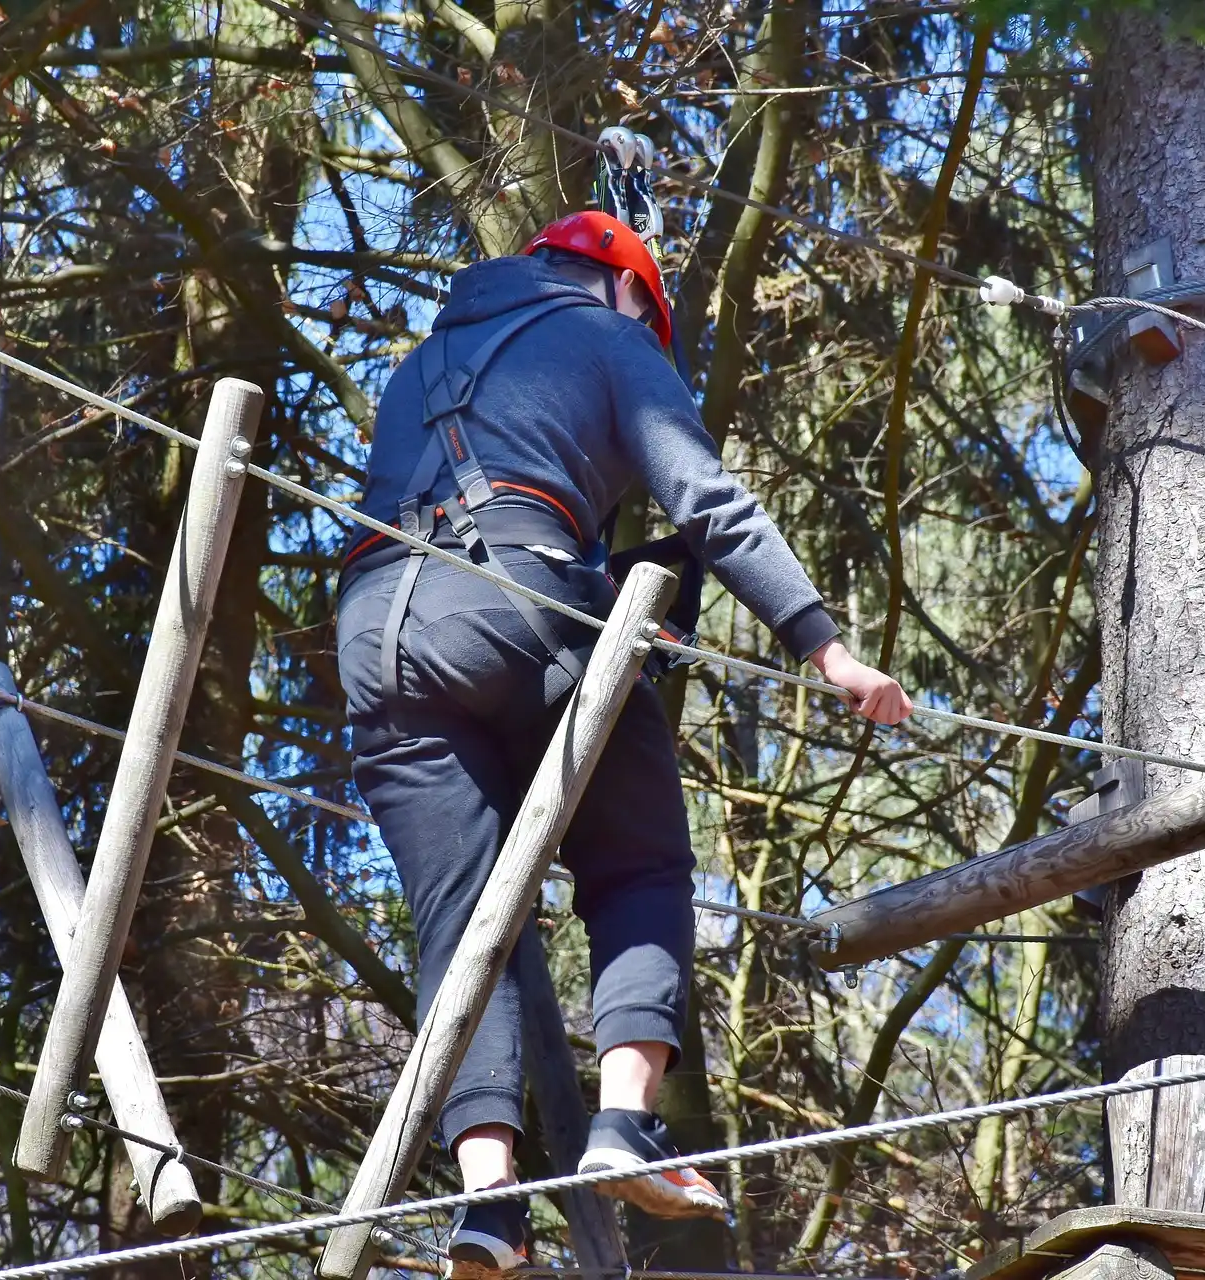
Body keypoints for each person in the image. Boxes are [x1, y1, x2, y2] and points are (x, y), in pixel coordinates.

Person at [334, 211, 910, 1277]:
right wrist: (825, 649)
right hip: (513, 598)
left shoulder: (418, 366)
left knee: (462, 915)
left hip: (374, 635)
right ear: (631, 290)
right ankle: (626, 1125)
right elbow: (707, 499)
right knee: (637, 862)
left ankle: (487, 1205)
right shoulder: (612, 337)